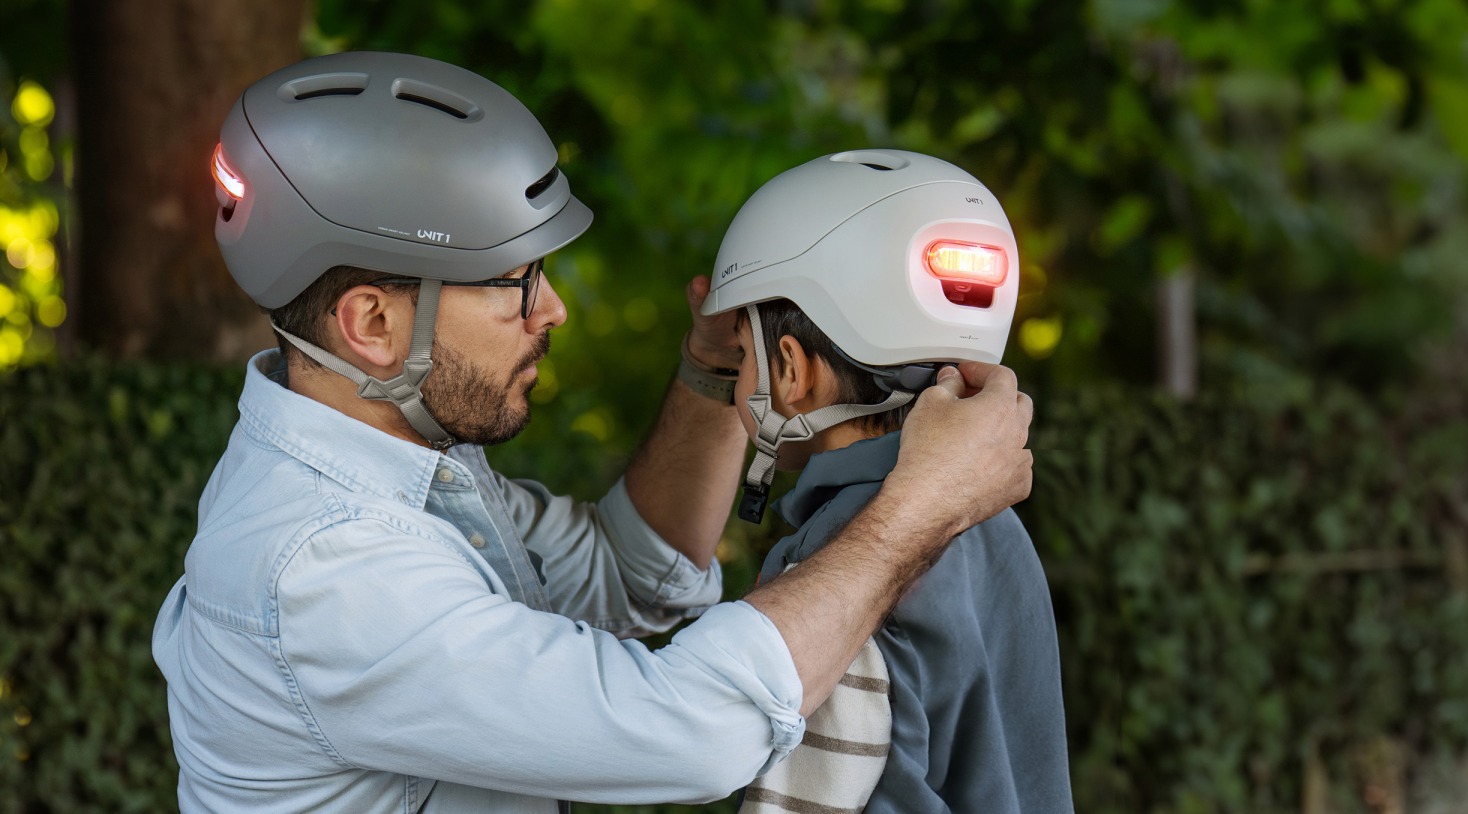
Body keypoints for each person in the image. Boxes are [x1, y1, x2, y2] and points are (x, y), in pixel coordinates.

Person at [152, 52, 1034, 813]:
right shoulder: (327, 569)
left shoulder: (404, 468)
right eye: (512, 282)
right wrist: (922, 507)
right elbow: (692, 732)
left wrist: (714, 375)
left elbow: (629, 573)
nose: (554, 309)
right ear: (372, 324)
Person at [700, 149, 1072, 813]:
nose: (735, 375)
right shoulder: (995, 527)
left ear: (790, 370)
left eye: (740, 353)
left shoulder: (844, 561)